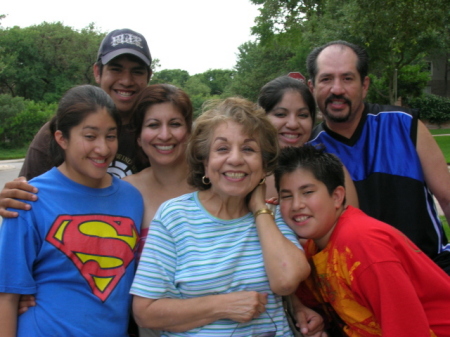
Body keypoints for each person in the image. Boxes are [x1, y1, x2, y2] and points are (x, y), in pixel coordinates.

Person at [130, 97, 311, 336]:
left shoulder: (272, 215)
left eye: (248, 149)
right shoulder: (174, 217)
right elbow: (145, 312)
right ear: (205, 161)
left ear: (264, 165)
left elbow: (286, 280)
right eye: (222, 148)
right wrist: (223, 306)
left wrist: (258, 206)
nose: (235, 159)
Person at [0, 85, 144, 336]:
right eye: (90, 136)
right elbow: (6, 297)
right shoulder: (27, 199)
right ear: (61, 139)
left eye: (111, 136)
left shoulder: (132, 198)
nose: (102, 148)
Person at [275, 144, 450, 337]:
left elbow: (408, 330)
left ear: (337, 197)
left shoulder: (361, 243)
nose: (297, 205)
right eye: (287, 196)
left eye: (307, 192)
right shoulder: (314, 247)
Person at [306, 40, 450, 273]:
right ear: (312, 87)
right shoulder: (310, 151)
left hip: (430, 268)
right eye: (326, 79)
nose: (337, 89)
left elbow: (447, 197)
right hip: (361, 286)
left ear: (365, 85)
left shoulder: (404, 124)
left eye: (347, 78)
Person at [0, 28, 152, 218]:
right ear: (97, 72)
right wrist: (12, 197)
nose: (126, 80)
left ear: (149, 76)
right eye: (116, 69)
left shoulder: (156, 134)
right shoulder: (57, 130)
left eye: (137, 71)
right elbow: (27, 195)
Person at [124, 84, 196, 337]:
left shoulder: (214, 184)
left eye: (175, 124)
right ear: (138, 136)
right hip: (150, 328)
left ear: (188, 131)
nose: (164, 135)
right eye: (153, 125)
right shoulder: (122, 192)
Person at [257, 75, 358, 207]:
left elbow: (353, 223)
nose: (293, 124)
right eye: (281, 114)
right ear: (261, 118)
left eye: (302, 115)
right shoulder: (246, 170)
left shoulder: (331, 169)